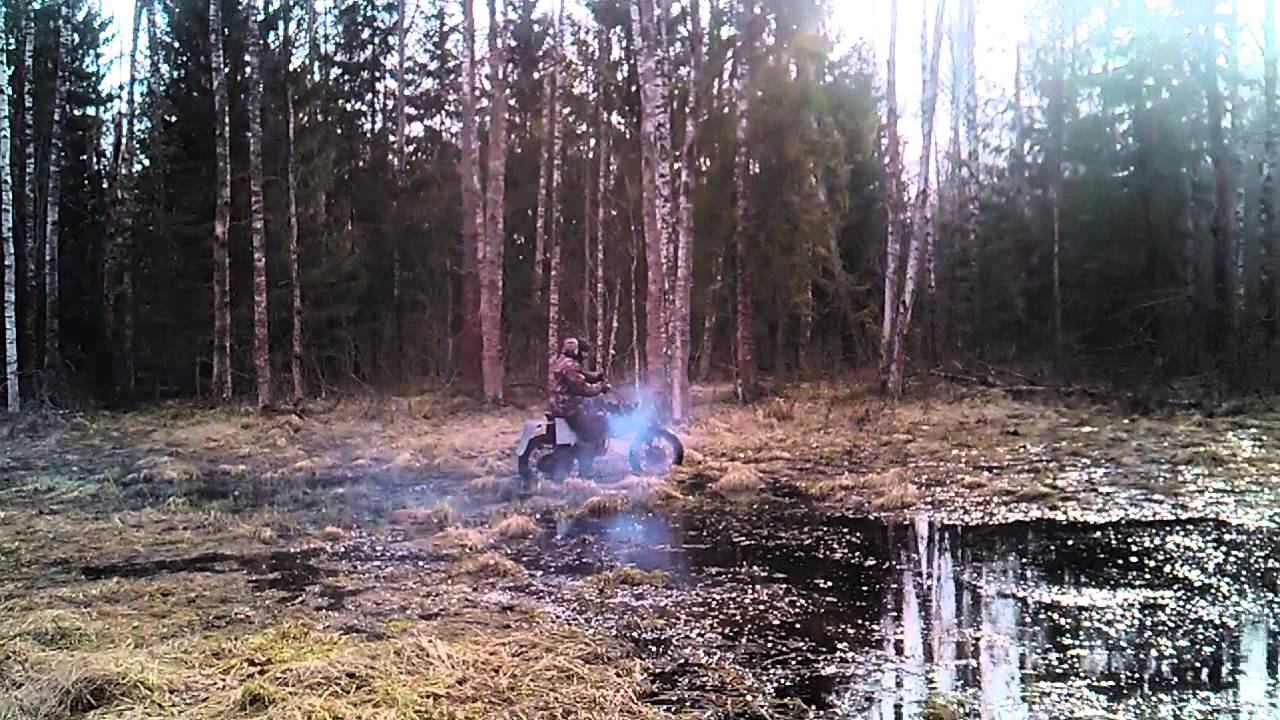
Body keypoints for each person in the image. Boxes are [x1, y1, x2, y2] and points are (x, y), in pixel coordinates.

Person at [549, 337, 610, 459]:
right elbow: (582, 389)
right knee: (592, 431)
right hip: (568, 407)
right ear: (576, 351)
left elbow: (580, 375)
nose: (583, 355)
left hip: (556, 404)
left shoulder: (561, 361)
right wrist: (600, 388)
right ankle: (585, 466)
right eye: (581, 352)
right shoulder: (570, 365)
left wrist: (596, 377)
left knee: (589, 410)